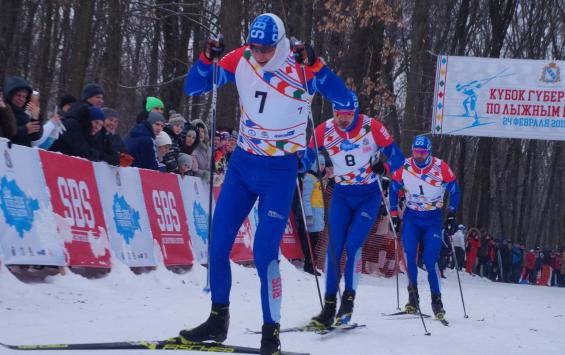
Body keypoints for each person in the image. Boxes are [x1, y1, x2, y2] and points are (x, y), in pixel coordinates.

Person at [178, 13, 351, 354]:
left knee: (264, 255)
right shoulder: (240, 58)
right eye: (255, 47)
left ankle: (270, 331)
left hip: (279, 173)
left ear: (280, 43)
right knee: (217, 245)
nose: (259, 54)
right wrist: (205, 58)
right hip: (243, 167)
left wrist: (317, 66)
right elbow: (193, 86)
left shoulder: (300, 64)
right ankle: (218, 318)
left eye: (266, 49)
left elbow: (342, 97)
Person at [301, 90, 404, 327]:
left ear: (356, 112)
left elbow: (398, 159)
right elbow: (306, 158)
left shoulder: (372, 127)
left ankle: (348, 300)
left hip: (367, 197)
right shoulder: (324, 130)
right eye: (339, 113)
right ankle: (328, 307)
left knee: (353, 245)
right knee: (334, 249)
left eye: (348, 114)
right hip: (342, 195)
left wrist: (384, 167)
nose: (343, 118)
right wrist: (298, 165)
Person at [389, 135, 460, 321]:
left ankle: (437, 301)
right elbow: (393, 189)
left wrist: (452, 213)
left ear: (429, 152)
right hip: (412, 217)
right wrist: (394, 214)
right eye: (415, 152)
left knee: (430, 261)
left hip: (433, 219)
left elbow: (455, 190)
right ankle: (413, 298)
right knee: (409, 256)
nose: (418, 156)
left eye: (422, 153)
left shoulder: (440, 167)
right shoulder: (404, 167)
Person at [301, 154, 326, 276]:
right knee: (311, 240)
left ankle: (311, 263)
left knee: (315, 240)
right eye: (320, 164)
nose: (322, 167)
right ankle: (308, 264)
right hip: (312, 214)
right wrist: (309, 215)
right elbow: (306, 198)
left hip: (318, 213)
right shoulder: (310, 178)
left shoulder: (318, 179)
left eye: (323, 165)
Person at [3, 76, 43, 147]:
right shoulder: (3, 111)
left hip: (23, 154)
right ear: (10, 95)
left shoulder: (24, 114)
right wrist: (25, 130)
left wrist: (36, 118)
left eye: (24, 97)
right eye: (18, 95)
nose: (21, 99)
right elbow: (5, 134)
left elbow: (36, 136)